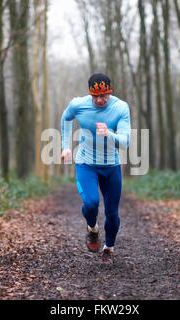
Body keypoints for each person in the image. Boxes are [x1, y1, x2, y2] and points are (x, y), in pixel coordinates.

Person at [61, 73, 131, 264]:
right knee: (91, 203)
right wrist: (65, 146)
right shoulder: (78, 104)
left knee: (112, 214)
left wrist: (109, 133)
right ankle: (92, 229)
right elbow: (66, 118)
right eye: (96, 97)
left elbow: (126, 142)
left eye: (104, 96)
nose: (100, 100)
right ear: (90, 94)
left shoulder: (120, 107)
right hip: (86, 163)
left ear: (110, 91)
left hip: (111, 166)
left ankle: (109, 248)